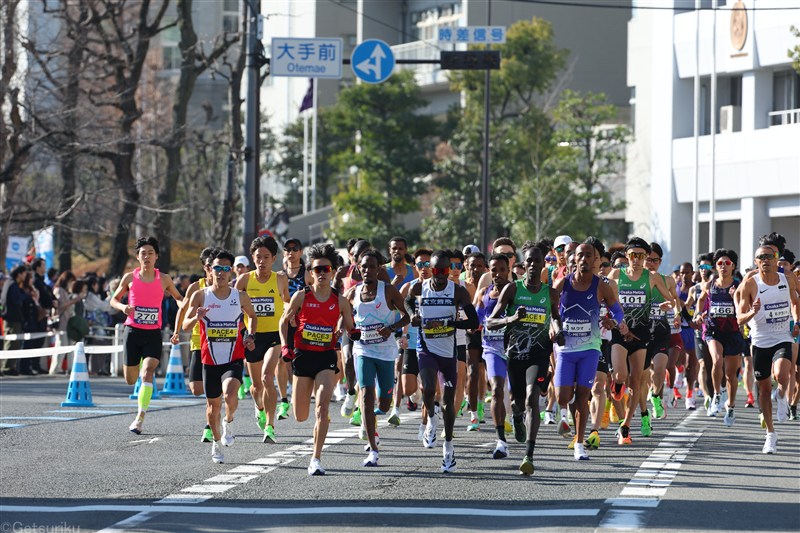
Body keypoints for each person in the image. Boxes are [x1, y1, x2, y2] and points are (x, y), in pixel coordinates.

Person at [280, 244, 357, 475]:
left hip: (325, 357)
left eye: (326, 269)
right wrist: (286, 345)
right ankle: (313, 441)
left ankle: (316, 458)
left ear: (333, 272)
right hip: (303, 356)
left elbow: (351, 327)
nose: (321, 273)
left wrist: (353, 333)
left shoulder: (340, 301)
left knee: (322, 409)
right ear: (310, 272)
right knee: (301, 415)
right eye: (317, 269)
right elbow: (283, 321)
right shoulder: (301, 296)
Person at [404, 250, 479, 473]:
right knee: (427, 388)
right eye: (436, 271)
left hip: (449, 351)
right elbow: (408, 301)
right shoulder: (420, 287)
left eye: (444, 271)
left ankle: (448, 449)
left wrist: (452, 324)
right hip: (425, 347)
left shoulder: (458, 291)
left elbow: (473, 321)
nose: (439, 275)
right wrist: (412, 315)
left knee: (448, 403)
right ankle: (430, 421)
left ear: (449, 271)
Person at [182, 249, 257, 463]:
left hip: (233, 358)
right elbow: (186, 325)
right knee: (212, 408)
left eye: (226, 268)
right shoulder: (200, 295)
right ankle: (216, 443)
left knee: (230, 394)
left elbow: (252, 316)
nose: (221, 272)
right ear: (210, 270)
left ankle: (229, 421)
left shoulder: (239, 296)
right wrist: (196, 318)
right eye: (217, 268)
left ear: (231, 272)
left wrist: (250, 335)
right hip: (209, 360)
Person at [553, 243, 626, 460]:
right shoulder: (562, 284)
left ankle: (579, 443)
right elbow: (550, 309)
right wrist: (553, 328)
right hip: (566, 349)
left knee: (584, 395)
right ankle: (564, 415)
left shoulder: (601, 286)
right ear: (572, 259)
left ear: (595, 260)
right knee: (562, 396)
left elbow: (618, 311)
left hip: (590, 348)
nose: (584, 259)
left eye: (589, 256)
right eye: (580, 255)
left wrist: (613, 321)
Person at [111, 237, 183, 435]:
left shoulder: (165, 279)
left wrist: (182, 305)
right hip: (133, 332)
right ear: (137, 257)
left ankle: (139, 418)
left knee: (147, 372)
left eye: (151, 253)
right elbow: (113, 300)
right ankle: (139, 404)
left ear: (156, 256)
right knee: (130, 379)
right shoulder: (129, 278)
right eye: (143, 253)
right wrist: (123, 307)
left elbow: (179, 298)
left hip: (153, 333)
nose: (147, 256)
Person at [345, 249, 410, 466]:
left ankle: (375, 413)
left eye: (372, 266)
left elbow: (407, 315)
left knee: (383, 403)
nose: (367, 270)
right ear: (358, 269)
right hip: (362, 350)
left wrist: (391, 328)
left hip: (385, 352)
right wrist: (345, 329)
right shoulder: (353, 293)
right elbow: (343, 316)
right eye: (363, 266)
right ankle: (373, 448)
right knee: (365, 394)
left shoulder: (389, 291)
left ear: (378, 269)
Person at [606, 237, 673, 445]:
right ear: (627, 256)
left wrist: (667, 306)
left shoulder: (651, 277)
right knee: (620, 375)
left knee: (636, 381)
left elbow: (668, 298)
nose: (636, 259)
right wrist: (616, 320)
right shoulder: (616, 274)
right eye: (633, 255)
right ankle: (617, 385)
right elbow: (606, 297)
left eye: (641, 256)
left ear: (645, 257)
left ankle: (625, 426)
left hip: (642, 333)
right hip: (620, 331)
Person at [737, 246, 800, 454]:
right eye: (760, 257)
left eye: (769, 256)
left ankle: (782, 395)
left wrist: (797, 320)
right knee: (763, 389)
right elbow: (739, 318)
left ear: (776, 259)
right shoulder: (750, 284)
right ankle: (770, 435)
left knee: (782, 374)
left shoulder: (787, 279)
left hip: (782, 336)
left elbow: (795, 302)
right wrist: (751, 313)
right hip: (760, 341)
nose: (765, 260)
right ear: (756, 262)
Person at [234, 236, 290, 444]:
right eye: (258, 257)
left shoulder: (280, 279)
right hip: (253, 337)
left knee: (268, 377)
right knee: (256, 386)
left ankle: (270, 426)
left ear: (274, 258)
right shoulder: (245, 280)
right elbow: (233, 306)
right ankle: (259, 408)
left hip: (274, 336)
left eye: (266, 257)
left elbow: (286, 301)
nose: (262, 261)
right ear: (253, 258)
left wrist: (289, 313)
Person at [695, 248, 744, 424]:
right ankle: (716, 394)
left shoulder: (739, 285)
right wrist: (698, 313)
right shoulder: (711, 283)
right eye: (720, 263)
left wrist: (736, 298)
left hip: (733, 332)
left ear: (733, 266)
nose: (723, 266)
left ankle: (730, 407)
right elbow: (701, 299)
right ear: (716, 267)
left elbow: (744, 308)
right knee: (716, 361)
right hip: (713, 329)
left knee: (731, 375)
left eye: (727, 263)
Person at [173, 247, 216, 441]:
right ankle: (216, 399)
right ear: (204, 267)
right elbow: (182, 312)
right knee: (196, 388)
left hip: (219, 341)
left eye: (214, 265)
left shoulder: (227, 287)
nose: (211, 269)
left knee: (211, 386)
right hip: (199, 340)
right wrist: (176, 331)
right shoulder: (195, 287)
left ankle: (210, 422)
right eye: (208, 265)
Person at [474, 253, 513, 460]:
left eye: (502, 270)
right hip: (491, 348)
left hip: (515, 349)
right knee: (497, 389)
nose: (497, 274)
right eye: (493, 270)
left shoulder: (517, 293)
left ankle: (518, 415)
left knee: (519, 396)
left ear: (509, 271)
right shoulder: (484, 293)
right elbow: (477, 318)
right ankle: (501, 441)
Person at [48, 271, 78, 374]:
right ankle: (55, 368)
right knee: (61, 344)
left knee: (66, 345)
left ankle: (62, 367)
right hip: (61, 322)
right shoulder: (59, 290)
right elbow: (60, 306)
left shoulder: (65, 291)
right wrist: (74, 300)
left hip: (67, 322)